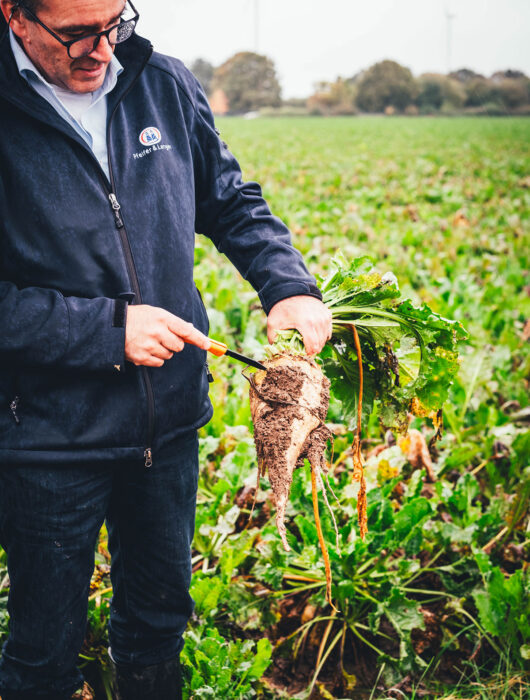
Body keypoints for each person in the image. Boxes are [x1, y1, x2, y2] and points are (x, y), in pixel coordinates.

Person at [0, 0, 332, 697]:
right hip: (49, 440)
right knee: (43, 652)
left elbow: (230, 198)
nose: (100, 49)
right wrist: (107, 330)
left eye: (114, 23)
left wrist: (288, 286)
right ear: (15, 14)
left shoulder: (164, 84)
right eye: (75, 34)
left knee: (157, 628)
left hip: (169, 427)